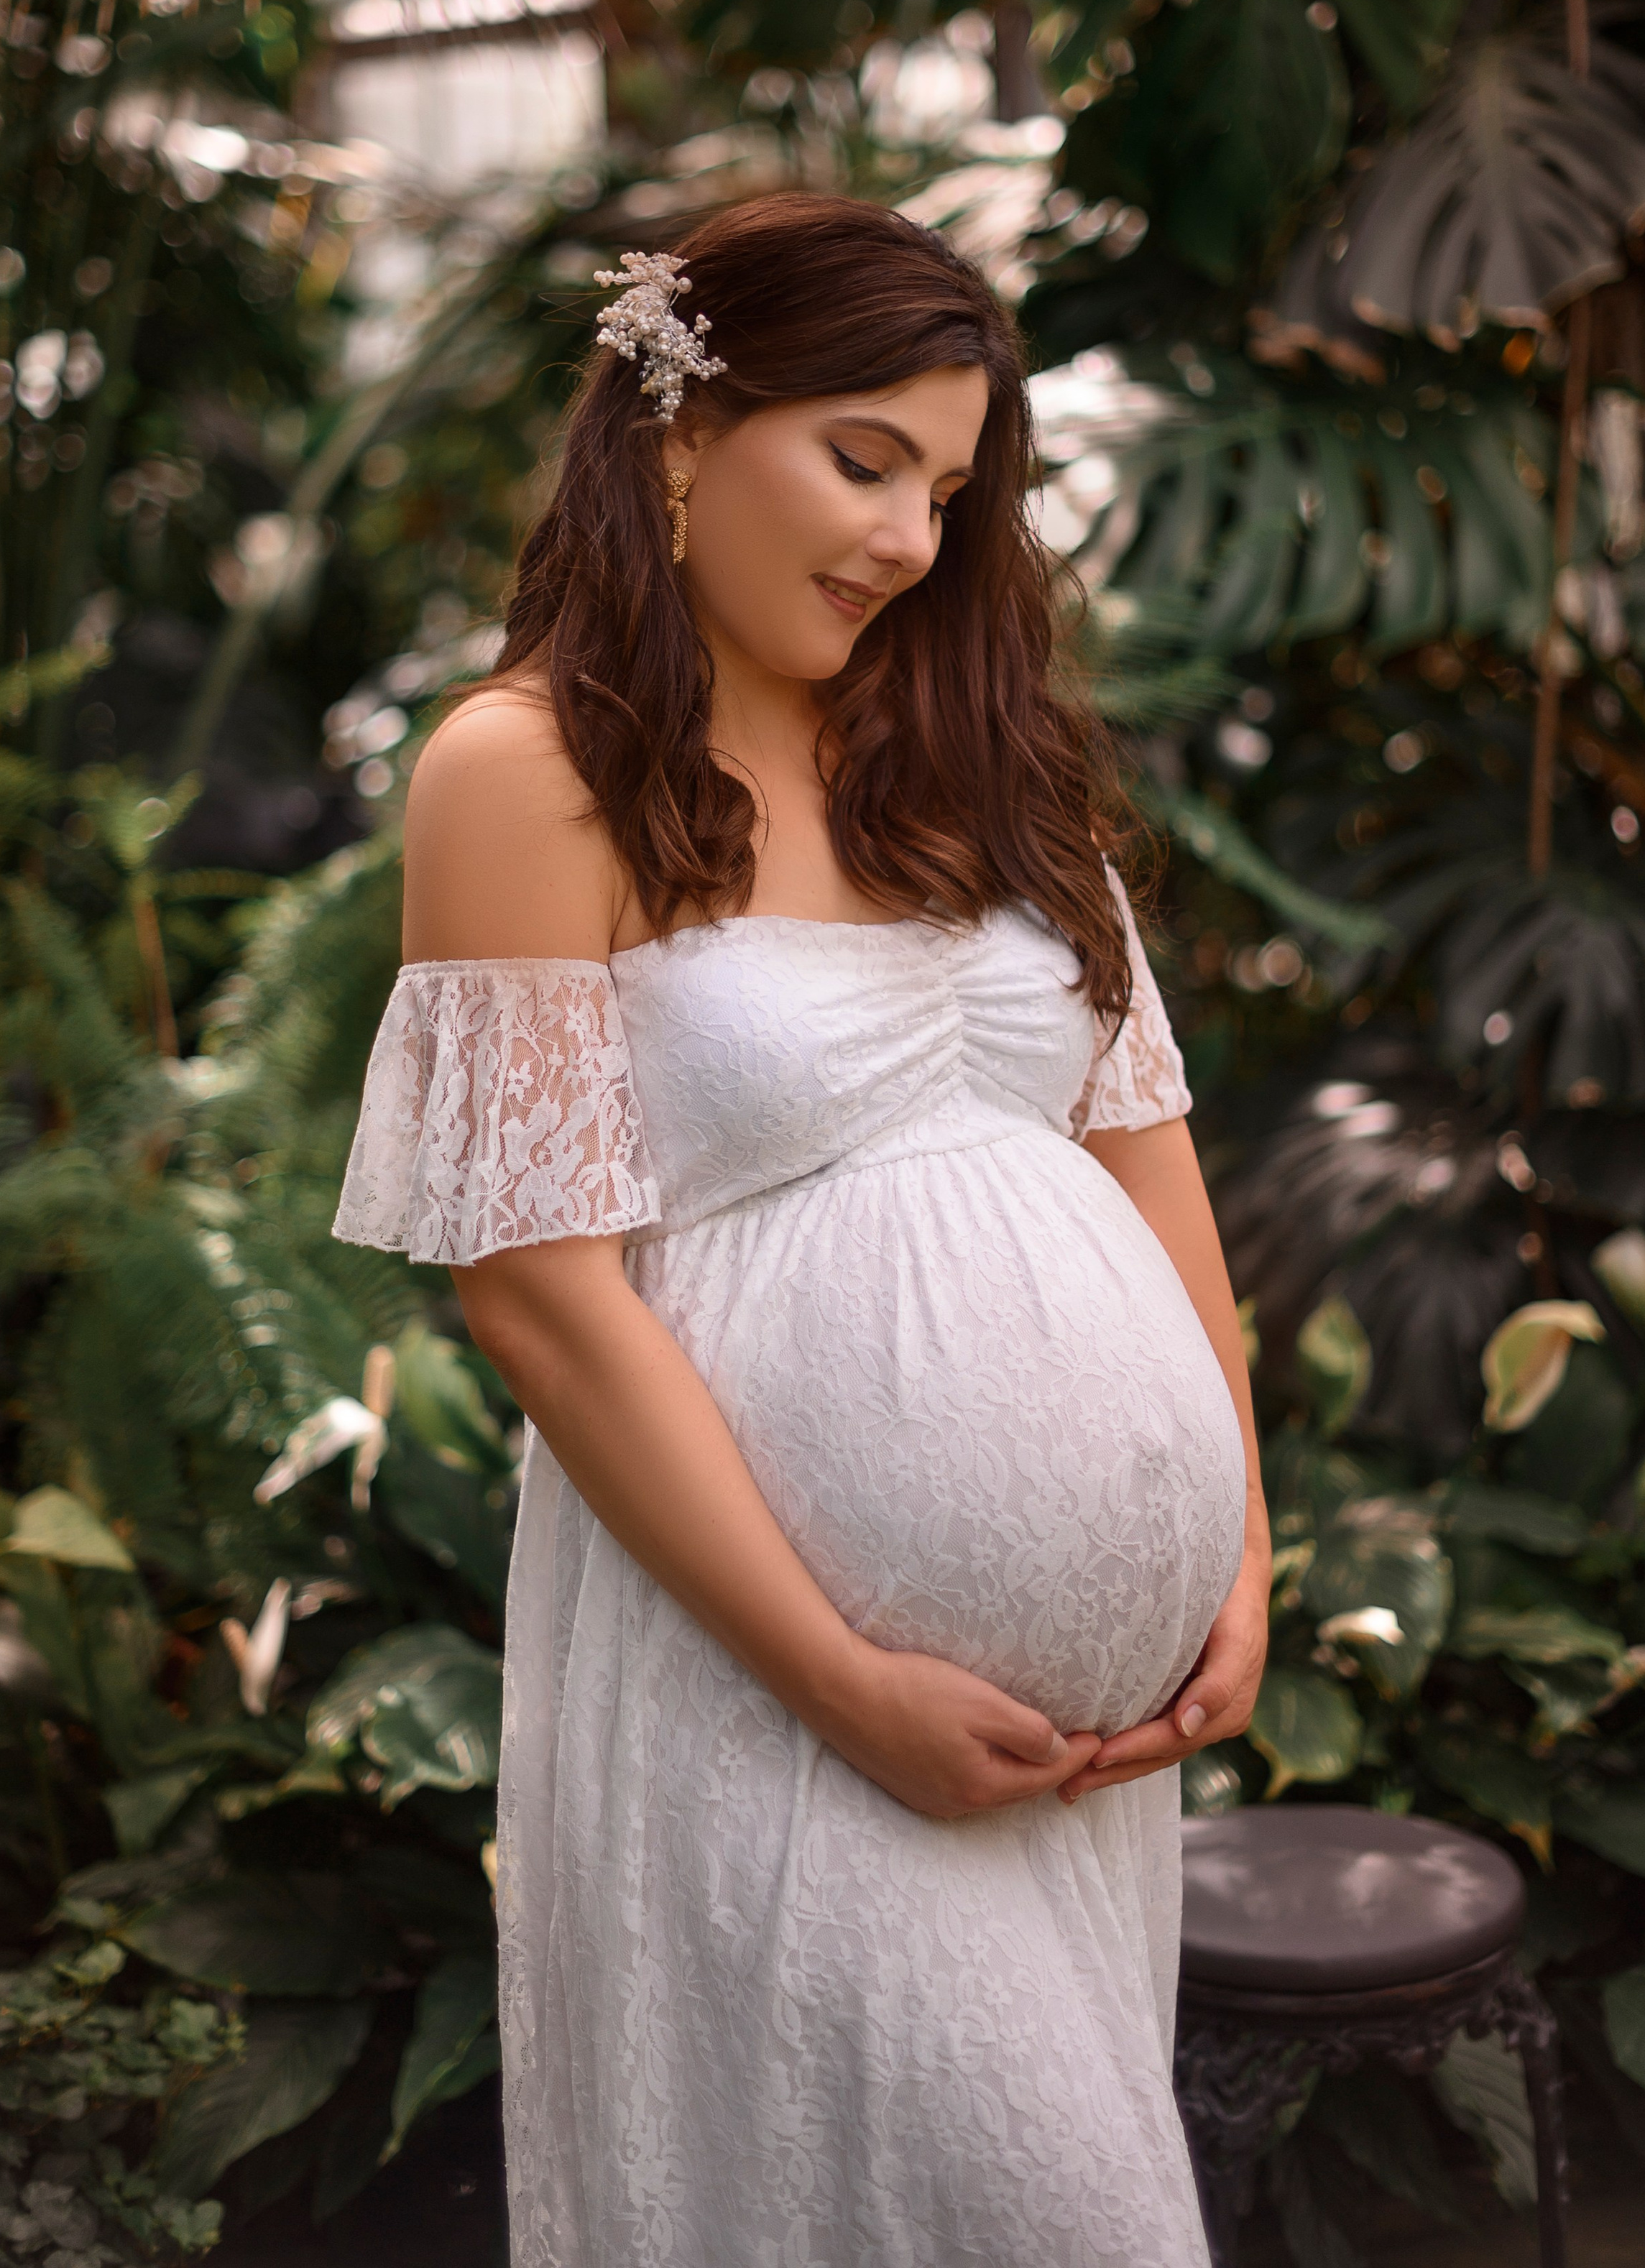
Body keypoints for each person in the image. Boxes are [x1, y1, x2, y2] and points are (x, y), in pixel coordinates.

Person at [333, 193, 1271, 2268]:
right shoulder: (524, 773)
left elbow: (1149, 1155)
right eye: (864, 458)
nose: (911, 539)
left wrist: (1242, 1553)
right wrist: (846, 1683)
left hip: (1090, 1745)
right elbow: (543, 1298)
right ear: (678, 428)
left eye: (948, 487)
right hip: (770, 1704)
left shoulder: (986, 757)